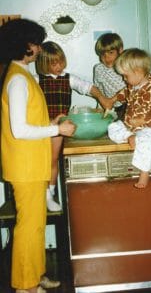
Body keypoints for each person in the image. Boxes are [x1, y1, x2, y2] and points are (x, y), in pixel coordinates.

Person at [0, 18, 76, 293]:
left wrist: (51, 120)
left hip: (31, 164)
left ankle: (35, 274)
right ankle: (25, 286)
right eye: (36, 42)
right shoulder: (18, 80)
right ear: (25, 46)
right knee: (28, 228)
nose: (40, 48)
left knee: (35, 226)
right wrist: (56, 128)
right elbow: (19, 130)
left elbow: (28, 118)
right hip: (25, 166)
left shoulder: (21, 74)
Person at [35, 41, 108, 211]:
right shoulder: (36, 80)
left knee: (53, 161)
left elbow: (88, 87)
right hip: (39, 127)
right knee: (40, 162)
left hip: (59, 128)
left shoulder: (69, 78)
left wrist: (102, 98)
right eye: (54, 63)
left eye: (61, 61)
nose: (59, 65)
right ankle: (38, 193)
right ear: (43, 63)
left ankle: (49, 194)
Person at [103, 48, 151, 189]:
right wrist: (112, 99)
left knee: (145, 140)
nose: (124, 79)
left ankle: (145, 173)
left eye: (126, 76)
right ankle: (130, 137)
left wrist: (143, 121)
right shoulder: (132, 86)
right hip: (132, 127)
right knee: (112, 127)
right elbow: (123, 93)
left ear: (138, 72)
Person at [93, 33, 127, 120]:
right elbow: (99, 90)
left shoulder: (126, 65)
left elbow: (131, 87)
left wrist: (112, 100)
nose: (106, 58)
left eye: (111, 53)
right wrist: (100, 108)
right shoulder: (98, 69)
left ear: (120, 50)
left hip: (129, 105)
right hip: (111, 108)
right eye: (103, 54)